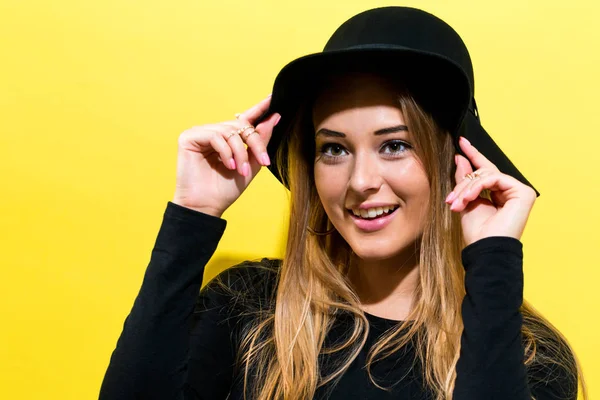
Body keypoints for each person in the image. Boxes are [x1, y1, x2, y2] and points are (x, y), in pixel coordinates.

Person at [99, 6, 587, 400]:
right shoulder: (247, 312)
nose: (360, 181)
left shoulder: (526, 356)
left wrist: (493, 261)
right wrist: (192, 216)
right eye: (333, 148)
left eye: (395, 144)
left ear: (455, 163)